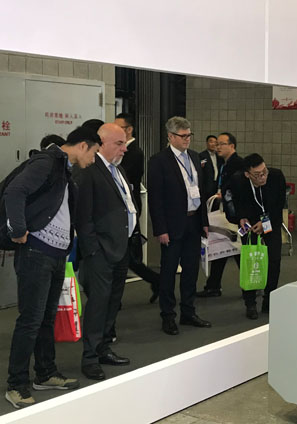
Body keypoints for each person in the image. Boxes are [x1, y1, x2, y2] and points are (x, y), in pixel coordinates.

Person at [3, 127, 100, 408]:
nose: (93, 160)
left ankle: (45, 373)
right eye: (94, 153)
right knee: (30, 321)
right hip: (36, 253)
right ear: (83, 146)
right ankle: (16, 384)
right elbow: (15, 191)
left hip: (56, 255)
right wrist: (18, 229)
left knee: (46, 319)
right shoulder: (47, 161)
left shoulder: (65, 168)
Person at [75, 123, 136, 381]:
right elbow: (83, 216)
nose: (124, 149)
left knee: (113, 302)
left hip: (120, 248)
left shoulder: (117, 169)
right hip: (100, 251)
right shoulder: (89, 170)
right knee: (98, 304)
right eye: (119, 144)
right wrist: (92, 250)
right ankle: (89, 358)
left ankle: (103, 348)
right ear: (101, 144)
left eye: (124, 143)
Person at [147, 116, 211, 336]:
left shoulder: (194, 156)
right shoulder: (159, 161)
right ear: (170, 136)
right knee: (168, 271)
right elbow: (155, 198)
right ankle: (168, 315)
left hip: (193, 221)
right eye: (182, 136)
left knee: (191, 270)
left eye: (189, 135)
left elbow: (201, 191)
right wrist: (160, 229)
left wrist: (204, 222)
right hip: (172, 224)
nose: (187, 139)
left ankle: (188, 312)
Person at [232, 153, 287, 319]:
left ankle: (269, 300)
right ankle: (250, 303)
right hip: (250, 226)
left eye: (264, 172)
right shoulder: (238, 181)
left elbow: (279, 205)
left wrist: (265, 223)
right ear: (247, 174)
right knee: (251, 263)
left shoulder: (276, 177)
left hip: (271, 223)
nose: (263, 177)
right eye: (257, 174)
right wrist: (241, 218)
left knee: (274, 261)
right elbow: (236, 205)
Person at [113, 113, 161, 303]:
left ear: (129, 129)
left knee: (127, 256)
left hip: (128, 207)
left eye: (119, 127)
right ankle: (156, 280)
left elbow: (127, 177)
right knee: (128, 256)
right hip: (123, 208)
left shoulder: (134, 152)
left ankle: (156, 280)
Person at [197, 132, 245, 298]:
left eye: (221, 144)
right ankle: (213, 285)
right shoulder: (224, 163)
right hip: (226, 212)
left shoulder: (238, 164)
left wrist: (223, 193)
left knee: (236, 248)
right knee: (221, 246)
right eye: (217, 144)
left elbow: (239, 188)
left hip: (236, 215)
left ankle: (251, 286)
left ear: (232, 146)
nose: (218, 147)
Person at [199, 135, 224, 201]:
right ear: (207, 143)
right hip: (206, 185)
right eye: (211, 142)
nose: (213, 144)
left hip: (217, 185)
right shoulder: (201, 155)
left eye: (215, 142)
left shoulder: (219, 156)